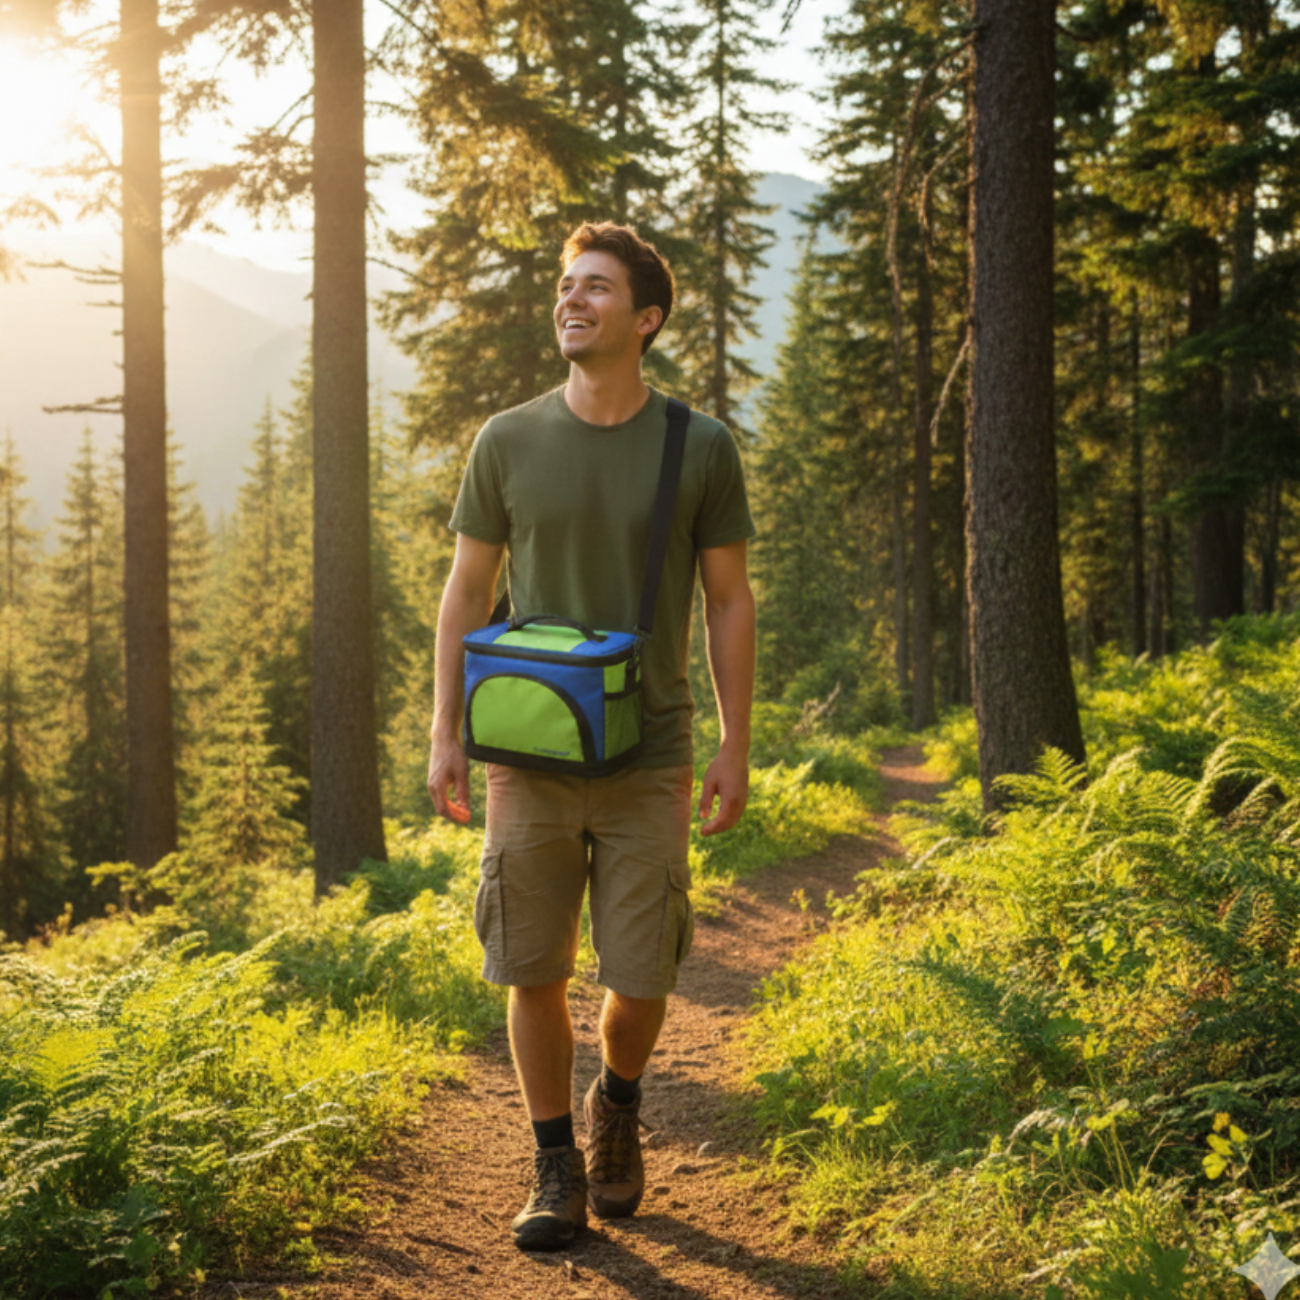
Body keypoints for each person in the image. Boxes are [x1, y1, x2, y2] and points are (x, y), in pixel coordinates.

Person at [426, 220, 756, 1251]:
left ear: (644, 318)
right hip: (524, 751)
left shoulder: (696, 446)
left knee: (641, 973)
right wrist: (444, 729)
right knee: (530, 964)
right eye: (566, 285)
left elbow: (729, 601)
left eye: (597, 288)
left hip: (649, 753)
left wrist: (733, 744)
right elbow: (466, 590)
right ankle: (556, 1156)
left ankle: (617, 1097)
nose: (572, 300)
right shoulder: (507, 439)